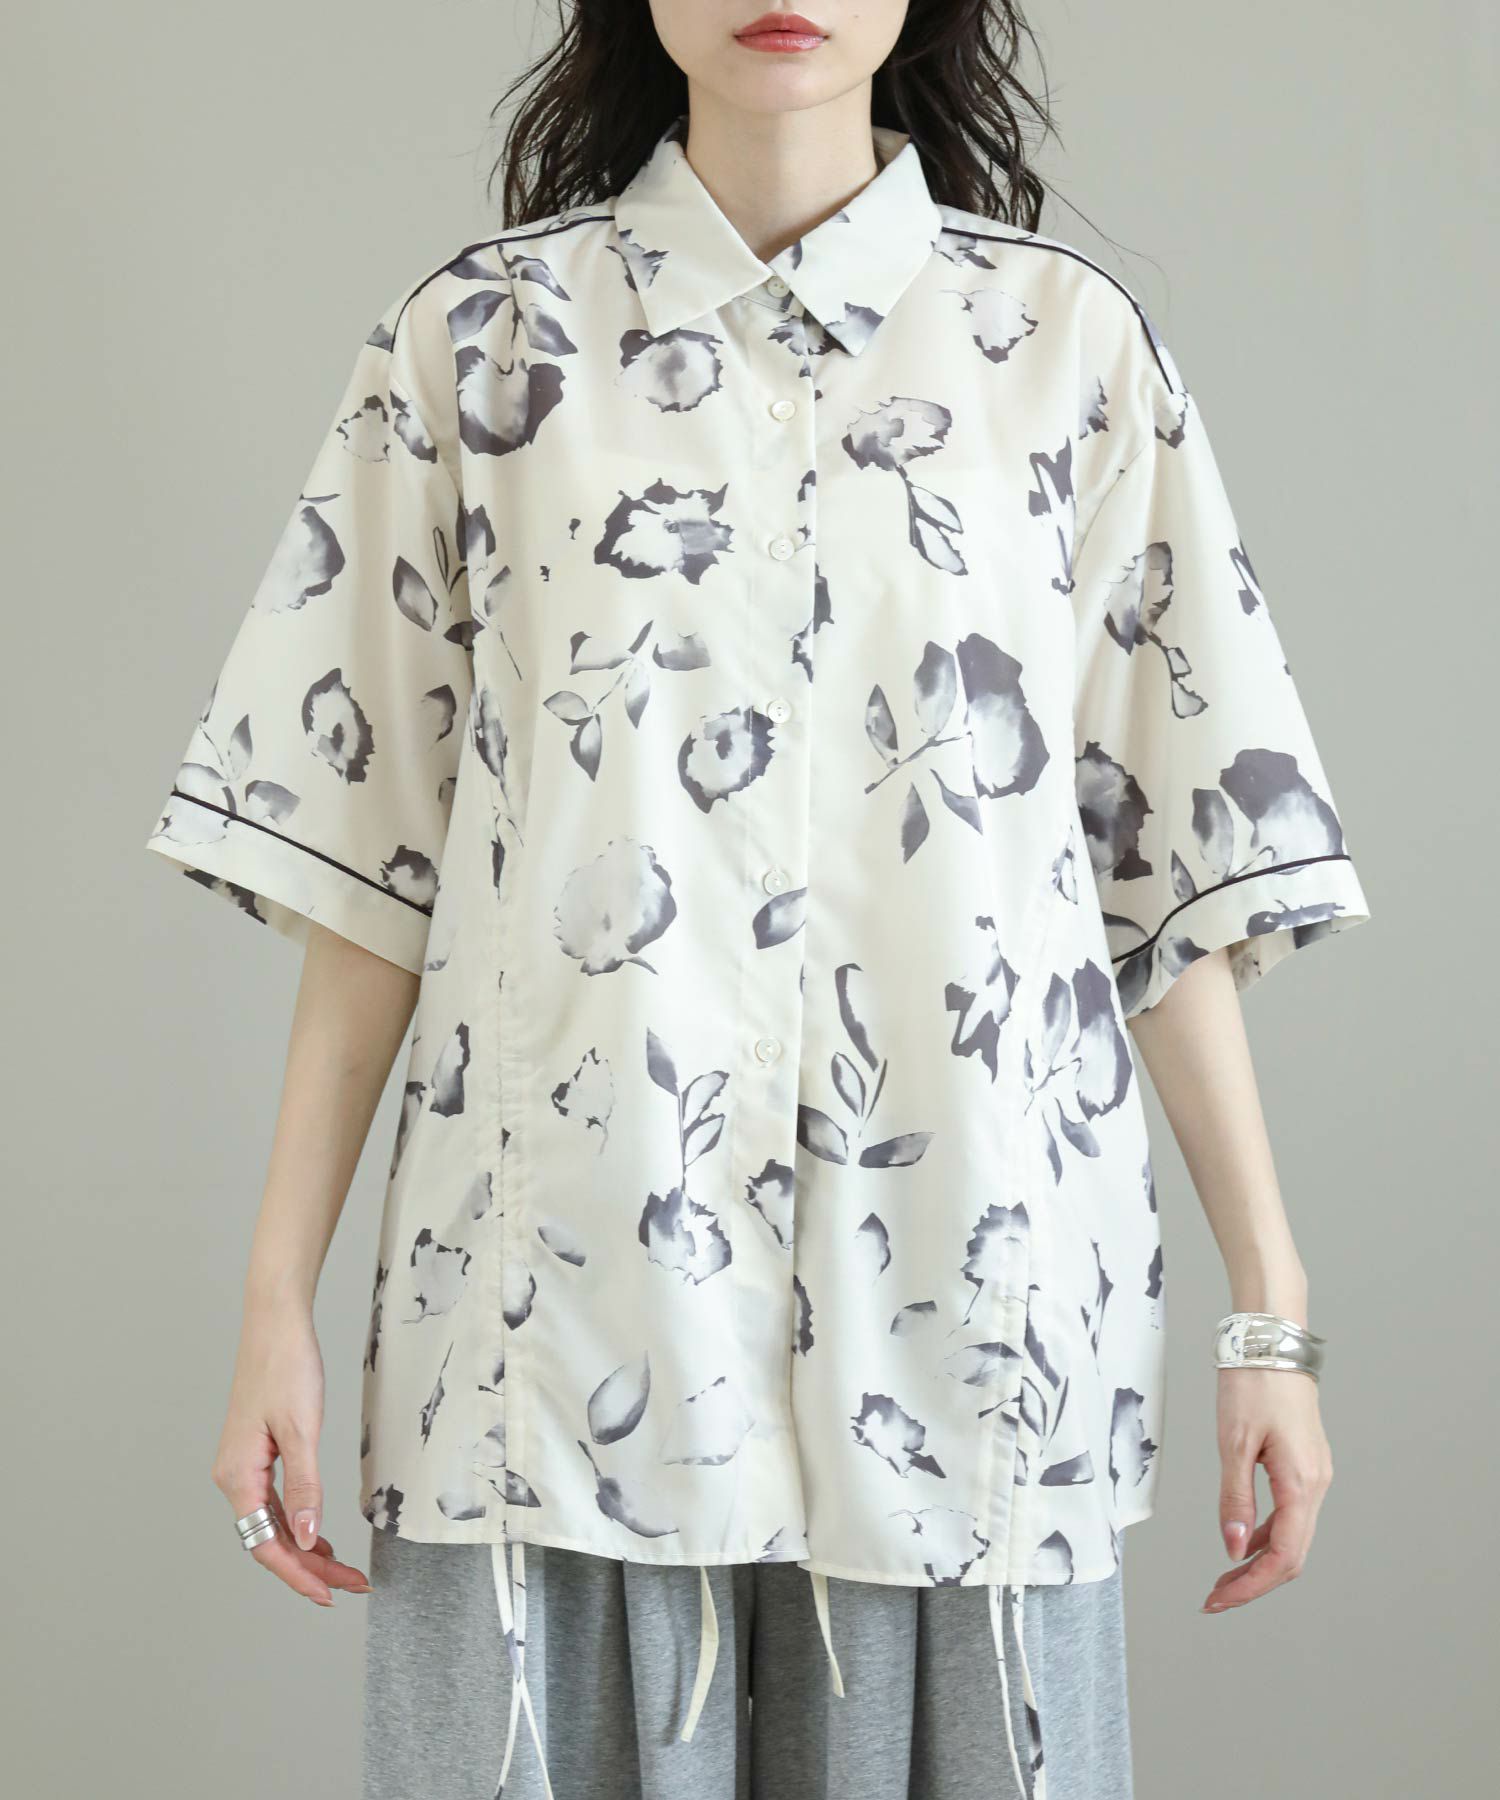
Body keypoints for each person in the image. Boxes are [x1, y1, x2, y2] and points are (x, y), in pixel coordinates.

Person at [143, 4, 1372, 1796]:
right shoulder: (477, 345)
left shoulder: (1069, 352)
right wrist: (276, 1302)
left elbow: (1159, 878)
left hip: (972, 1339)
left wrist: (1273, 1317)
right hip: (552, 1335)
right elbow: (371, 871)